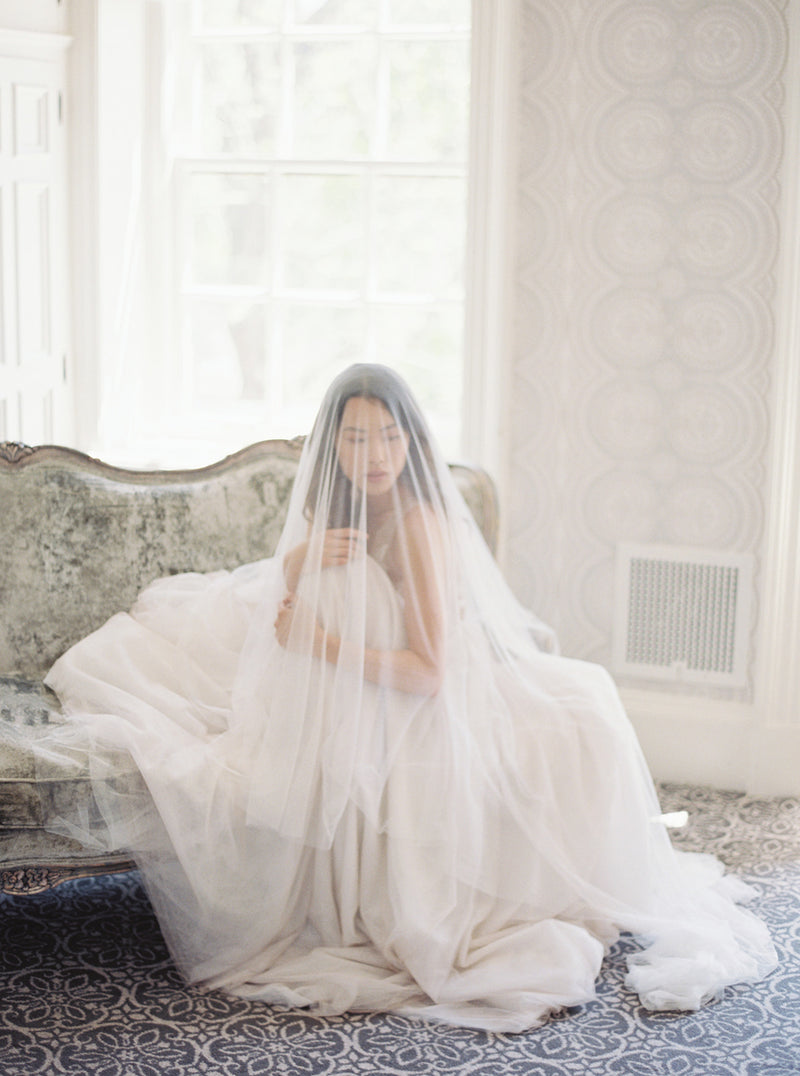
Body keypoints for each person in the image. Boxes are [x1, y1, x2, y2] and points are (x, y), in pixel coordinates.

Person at [43, 364, 776, 1033]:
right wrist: (301, 563)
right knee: (189, 658)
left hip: (430, 690)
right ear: (334, 447)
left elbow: (427, 670)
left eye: (389, 435)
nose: (375, 454)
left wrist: (317, 642)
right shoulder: (346, 509)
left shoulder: (421, 523)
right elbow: (294, 590)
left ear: (410, 438)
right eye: (357, 438)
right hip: (372, 681)